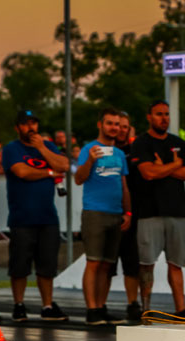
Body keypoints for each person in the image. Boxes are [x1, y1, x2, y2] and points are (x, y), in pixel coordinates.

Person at [2, 110, 70, 322]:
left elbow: (64, 165)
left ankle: (47, 306)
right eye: (25, 124)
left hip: (47, 216)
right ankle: (19, 304)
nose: (30, 127)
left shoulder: (47, 146)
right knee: (19, 266)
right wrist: (49, 173)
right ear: (17, 128)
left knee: (47, 266)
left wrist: (41, 148)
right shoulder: (12, 148)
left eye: (33, 123)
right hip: (22, 217)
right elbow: (22, 172)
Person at [74, 108, 132, 325]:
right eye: (110, 123)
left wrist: (128, 212)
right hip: (95, 212)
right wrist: (90, 160)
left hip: (116, 213)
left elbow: (123, 185)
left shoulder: (119, 154)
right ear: (100, 125)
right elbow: (78, 179)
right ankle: (92, 310)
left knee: (107, 265)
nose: (114, 127)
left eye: (117, 124)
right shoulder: (89, 149)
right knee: (94, 262)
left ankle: (101, 306)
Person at [130, 100, 185, 315]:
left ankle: (181, 309)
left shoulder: (178, 142)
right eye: (159, 114)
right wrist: (176, 164)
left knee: (176, 263)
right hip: (149, 211)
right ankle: (146, 309)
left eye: (167, 114)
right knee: (147, 263)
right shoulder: (141, 143)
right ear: (149, 117)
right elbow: (148, 173)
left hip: (177, 211)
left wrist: (163, 168)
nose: (164, 118)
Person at [110, 110, 142, 320]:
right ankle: (98, 306)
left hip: (133, 212)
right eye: (117, 126)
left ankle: (133, 303)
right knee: (106, 263)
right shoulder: (105, 149)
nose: (120, 130)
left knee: (132, 261)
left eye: (124, 127)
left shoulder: (137, 149)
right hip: (109, 210)